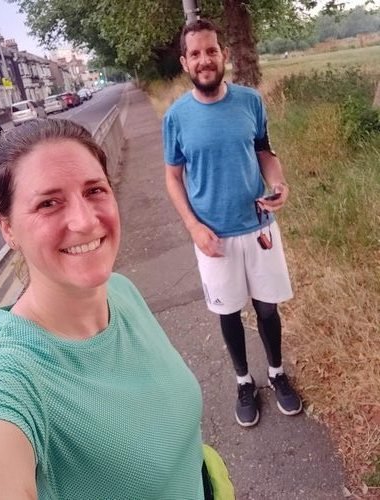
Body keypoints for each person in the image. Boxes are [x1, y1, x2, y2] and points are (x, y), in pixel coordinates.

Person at [0, 119, 206, 499]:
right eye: (48, 203)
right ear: (7, 227)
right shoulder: (3, 380)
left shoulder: (122, 292)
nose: (85, 221)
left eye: (94, 190)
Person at [162, 19, 302, 428]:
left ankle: (276, 373)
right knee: (228, 312)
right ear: (185, 63)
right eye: (195, 54)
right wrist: (193, 227)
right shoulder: (176, 117)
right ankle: (244, 381)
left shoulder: (250, 101)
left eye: (211, 51)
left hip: (258, 227)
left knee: (267, 307)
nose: (205, 60)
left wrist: (278, 183)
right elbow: (172, 177)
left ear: (223, 55)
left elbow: (265, 152)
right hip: (213, 236)